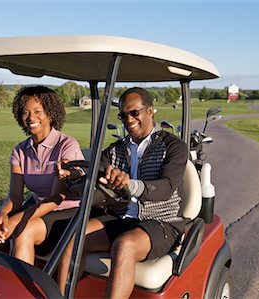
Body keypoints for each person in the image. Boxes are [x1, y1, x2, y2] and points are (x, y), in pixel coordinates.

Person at [58, 87, 188, 298]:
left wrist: (130, 184)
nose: (128, 119)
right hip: (121, 216)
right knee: (75, 237)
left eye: (134, 112)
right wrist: (73, 172)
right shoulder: (116, 149)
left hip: (161, 221)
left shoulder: (172, 146)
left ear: (150, 111)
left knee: (124, 245)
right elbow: (95, 167)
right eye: (123, 115)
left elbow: (166, 187)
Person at [0, 85, 84, 265]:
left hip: (66, 211)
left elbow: (57, 197)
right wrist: (2, 214)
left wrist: (17, 219)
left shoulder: (66, 145)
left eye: (37, 111)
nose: (31, 118)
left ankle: (20, 291)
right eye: (25, 113)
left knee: (22, 231)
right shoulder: (20, 151)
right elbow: (15, 195)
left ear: (50, 113)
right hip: (36, 208)